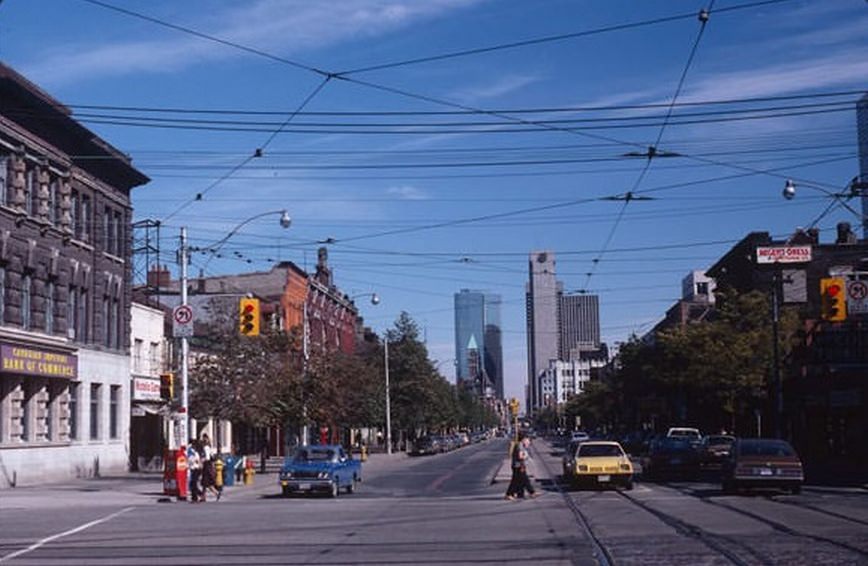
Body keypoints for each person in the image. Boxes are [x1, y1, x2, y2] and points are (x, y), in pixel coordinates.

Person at [505, 435, 536, 500]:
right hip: (518, 466)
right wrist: (526, 456)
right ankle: (509, 494)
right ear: (524, 439)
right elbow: (520, 457)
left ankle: (520, 493)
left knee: (520, 480)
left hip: (519, 465)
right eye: (528, 441)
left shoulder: (521, 445)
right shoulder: (520, 446)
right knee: (521, 480)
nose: (529, 443)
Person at [187, 439, 203, 503]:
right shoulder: (193, 451)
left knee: (193, 484)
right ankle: (199, 494)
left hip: (195, 469)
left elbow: (194, 460)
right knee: (193, 484)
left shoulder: (194, 452)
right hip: (194, 468)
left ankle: (195, 497)